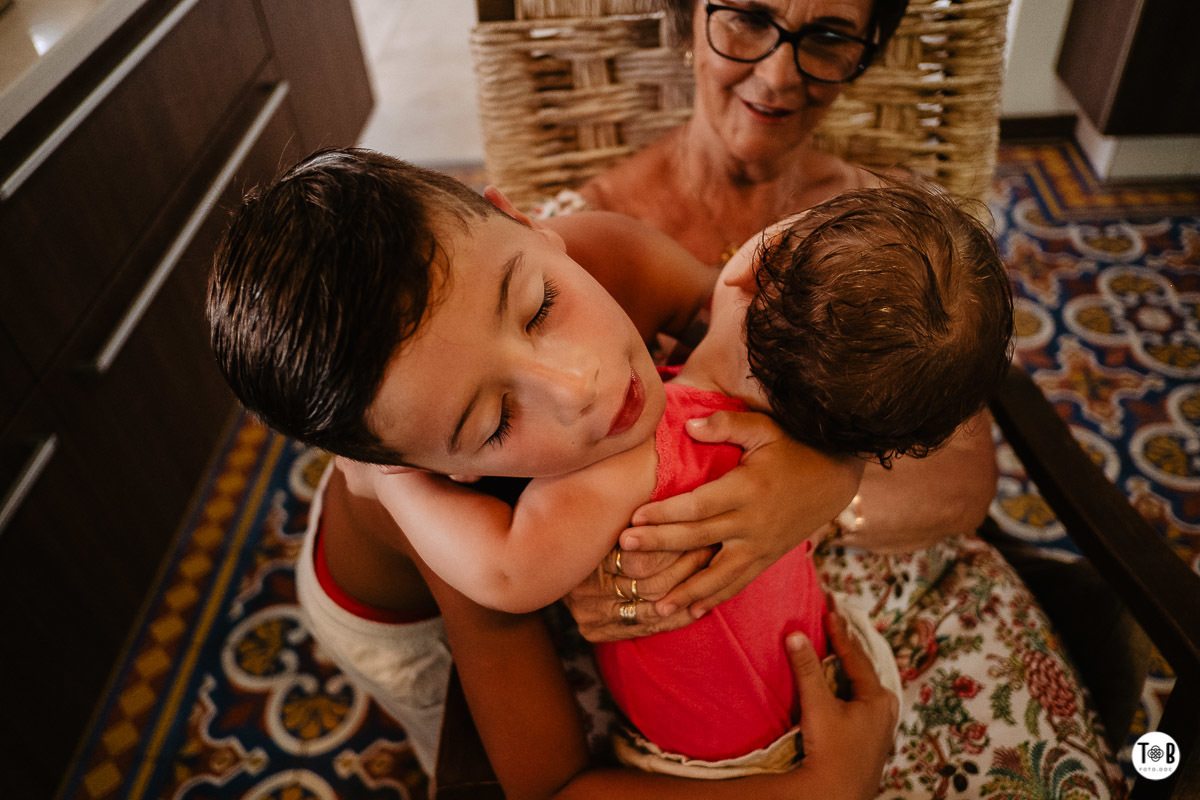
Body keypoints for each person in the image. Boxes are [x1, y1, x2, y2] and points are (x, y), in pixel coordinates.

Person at [524, 0, 1126, 796]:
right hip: (682, 662)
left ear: (867, 54)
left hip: (904, 603)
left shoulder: (890, 236)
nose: (778, 74)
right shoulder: (581, 252)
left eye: (829, 36)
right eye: (744, 17)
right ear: (684, 18)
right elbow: (501, 466)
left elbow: (964, 483)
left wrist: (817, 486)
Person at [207, 148, 880, 791]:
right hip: (402, 620)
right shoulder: (444, 524)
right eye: (494, 423)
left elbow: (747, 334)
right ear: (443, 470)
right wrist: (824, 788)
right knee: (452, 737)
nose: (577, 386)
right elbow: (548, 784)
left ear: (524, 223)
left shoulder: (612, 256)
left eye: (541, 309)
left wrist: (824, 479)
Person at [384, 184, 1012, 774]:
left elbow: (505, 571)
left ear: (748, 262)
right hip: (823, 670)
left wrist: (397, 481)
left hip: (726, 760)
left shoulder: (637, 453)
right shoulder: (800, 444)